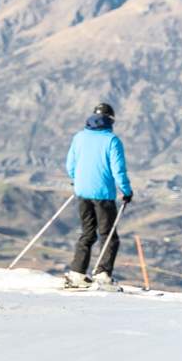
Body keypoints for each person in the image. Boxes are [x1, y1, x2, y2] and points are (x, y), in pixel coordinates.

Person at [64, 102, 132, 289]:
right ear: (111, 120)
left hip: (82, 191)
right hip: (103, 195)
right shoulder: (112, 140)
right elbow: (119, 171)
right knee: (109, 235)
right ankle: (103, 274)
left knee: (87, 233)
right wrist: (126, 191)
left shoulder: (79, 137)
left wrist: (77, 180)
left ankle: (77, 273)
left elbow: (70, 165)